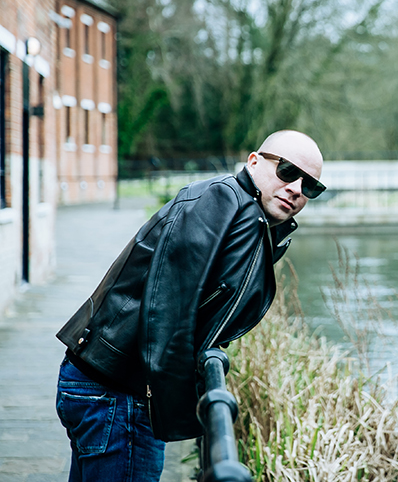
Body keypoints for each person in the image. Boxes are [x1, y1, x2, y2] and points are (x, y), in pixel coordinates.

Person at [55, 130, 326, 482]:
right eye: (287, 171)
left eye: (311, 186)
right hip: (120, 394)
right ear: (254, 161)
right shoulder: (221, 201)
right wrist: (182, 415)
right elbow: (167, 308)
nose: (296, 189)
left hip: (110, 387)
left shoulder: (250, 219)